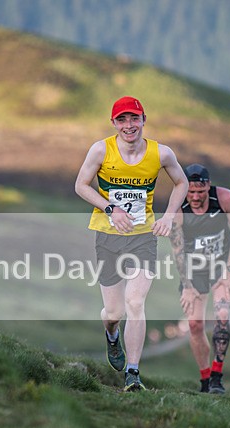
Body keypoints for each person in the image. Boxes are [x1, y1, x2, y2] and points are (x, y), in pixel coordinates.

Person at [74, 96, 188, 392]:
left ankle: (133, 372)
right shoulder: (101, 150)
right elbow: (81, 186)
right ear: (113, 123)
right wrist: (110, 209)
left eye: (134, 118)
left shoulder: (161, 153)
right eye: (122, 119)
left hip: (143, 237)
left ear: (143, 120)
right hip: (108, 235)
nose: (129, 125)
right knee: (114, 313)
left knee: (135, 302)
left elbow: (182, 183)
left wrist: (169, 216)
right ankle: (112, 335)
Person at [169, 164, 230, 393]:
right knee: (195, 325)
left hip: (221, 266)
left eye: (200, 192)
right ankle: (205, 380)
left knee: (222, 317)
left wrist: (229, 271)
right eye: (190, 192)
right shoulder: (178, 208)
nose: (195, 197)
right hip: (193, 270)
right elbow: (177, 250)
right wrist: (187, 285)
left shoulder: (224, 199)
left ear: (208, 186)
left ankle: (217, 378)